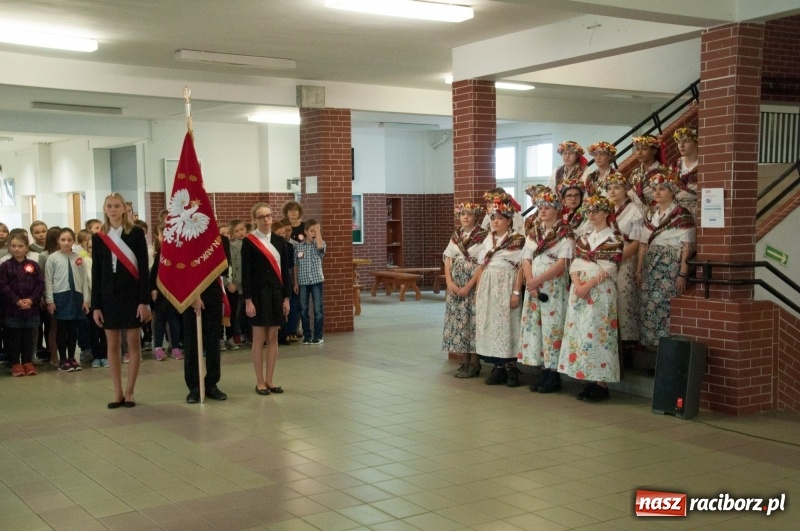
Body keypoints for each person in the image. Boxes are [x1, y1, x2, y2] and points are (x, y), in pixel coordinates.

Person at [558, 195, 624, 402]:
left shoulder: (615, 238)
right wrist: (578, 284)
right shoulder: (584, 238)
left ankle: (601, 382)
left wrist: (588, 285)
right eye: (590, 211)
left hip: (599, 289)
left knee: (599, 332)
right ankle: (587, 377)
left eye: (597, 210)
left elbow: (611, 267)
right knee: (581, 332)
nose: (592, 214)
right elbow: (575, 264)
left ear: (606, 212)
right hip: (580, 291)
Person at [92, 192, 151, 409]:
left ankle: (130, 391)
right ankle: (117, 392)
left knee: (133, 343)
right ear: (105, 209)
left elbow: (144, 269)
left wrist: (143, 301)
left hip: (132, 295)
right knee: (113, 344)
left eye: (117, 206)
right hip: (108, 296)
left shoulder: (135, 233)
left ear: (125, 209)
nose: (114, 209)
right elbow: (96, 272)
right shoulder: (99, 237)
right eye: (110, 206)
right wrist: (96, 305)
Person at [517, 185, 574, 393]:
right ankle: (543, 368)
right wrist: (530, 281)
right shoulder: (534, 232)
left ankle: (554, 373)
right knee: (537, 328)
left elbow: (562, 263)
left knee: (553, 328)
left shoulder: (565, 232)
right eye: (540, 207)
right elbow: (526, 258)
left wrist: (537, 280)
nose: (542, 211)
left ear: (557, 209)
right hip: (534, 287)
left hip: (554, 287)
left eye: (548, 207)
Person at [637, 170, 696, 353]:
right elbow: (642, 245)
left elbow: (686, 247)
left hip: (670, 265)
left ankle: (667, 350)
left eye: (662, 188)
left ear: (672, 191)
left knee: (666, 305)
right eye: (655, 189)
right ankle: (651, 349)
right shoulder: (650, 215)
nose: (657, 192)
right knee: (647, 304)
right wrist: (639, 270)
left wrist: (682, 274)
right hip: (650, 265)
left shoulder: (681, 214)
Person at [475, 192, 526, 387]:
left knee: (508, 324)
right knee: (492, 324)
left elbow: (520, 266)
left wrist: (515, 291)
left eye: (500, 218)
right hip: (488, 283)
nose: (496, 222)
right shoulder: (488, 239)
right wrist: (479, 291)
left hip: (506, 283)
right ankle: (497, 367)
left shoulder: (517, 239)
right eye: (493, 218)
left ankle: (512, 368)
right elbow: (482, 266)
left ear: (509, 220)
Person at [242, 203, 292, 395]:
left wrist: (286, 297)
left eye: (269, 215)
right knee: (259, 338)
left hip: (276, 294)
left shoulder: (279, 241)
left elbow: (285, 272)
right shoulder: (249, 242)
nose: (266, 219)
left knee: (273, 337)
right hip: (257, 295)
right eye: (262, 216)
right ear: (255, 219)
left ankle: (270, 380)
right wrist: (248, 300)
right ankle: (259, 381)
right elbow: (246, 274)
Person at [442, 202, 487, 378]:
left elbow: (483, 263)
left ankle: (475, 362)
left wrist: (470, 285)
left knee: (473, 321)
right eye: (462, 214)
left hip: (473, 283)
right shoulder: (456, 236)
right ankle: (464, 360)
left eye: (469, 214)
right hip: (456, 283)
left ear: (476, 217)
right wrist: (449, 281)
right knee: (459, 321)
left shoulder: (484, 237)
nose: (465, 217)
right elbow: (448, 259)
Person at [603, 173, 644, 364]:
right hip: (607, 259)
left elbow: (637, 241)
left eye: (617, 188)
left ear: (625, 189)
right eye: (609, 188)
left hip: (625, 259)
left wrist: (619, 258)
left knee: (624, 298)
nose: (612, 191)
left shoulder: (633, 210)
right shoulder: (605, 209)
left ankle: (627, 345)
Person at [45, 228, 90, 372]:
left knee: (73, 329)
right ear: (58, 240)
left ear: (74, 241)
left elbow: (84, 281)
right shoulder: (52, 258)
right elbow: (48, 281)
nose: (66, 242)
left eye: (69, 240)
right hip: (61, 297)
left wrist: (86, 300)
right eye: (63, 240)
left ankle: (72, 357)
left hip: (76, 297)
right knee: (62, 329)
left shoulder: (78, 258)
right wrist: (50, 301)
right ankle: (62, 359)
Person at [0, 233, 44, 376]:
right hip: (12, 308)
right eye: (13, 246)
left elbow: (40, 284)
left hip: (31, 308)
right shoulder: (5, 266)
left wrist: (31, 299)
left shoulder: (34, 265)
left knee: (28, 336)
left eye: (20, 246)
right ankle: (15, 363)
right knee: (14, 336)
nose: (17, 249)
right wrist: (16, 300)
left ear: (26, 248)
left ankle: (27, 361)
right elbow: (3, 286)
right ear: (9, 247)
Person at [183, 279, 228, 403]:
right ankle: (194, 387)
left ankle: (211, 384)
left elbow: (224, 264)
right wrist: (193, 296)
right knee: (192, 342)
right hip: (190, 293)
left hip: (212, 291)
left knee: (214, 341)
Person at [149, 222, 184, 361]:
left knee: (174, 320)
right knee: (159, 321)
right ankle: (158, 347)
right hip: (160, 292)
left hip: (174, 292)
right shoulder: (159, 254)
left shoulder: (177, 253)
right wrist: (152, 289)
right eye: (162, 235)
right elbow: (153, 274)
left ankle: (174, 346)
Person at [293, 219, 326, 345]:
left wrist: (318, 232)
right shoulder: (299, 246)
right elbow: (295, 265)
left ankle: (318, 335)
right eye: (312, 231)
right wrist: (295, 282)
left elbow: (320, 248)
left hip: (316, 280)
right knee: (304, 309)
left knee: (318, 309)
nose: (314, 233)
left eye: (316, 231)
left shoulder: (320, 243)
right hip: (303, 281)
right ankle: (307, 335)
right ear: (305, 232)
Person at [282, 201, 305, 343]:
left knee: (298, 304)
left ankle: (295, 328)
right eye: (290, 210)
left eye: (295, 210)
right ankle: (286, 330)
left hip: (296, 271)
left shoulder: (302, 229)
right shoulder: (281, 234)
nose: (293, 212)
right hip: (285, 273)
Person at [628, 135, 665, 215]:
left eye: (644, 149)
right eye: (637, 149)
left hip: (656, 214)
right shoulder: (634, 173)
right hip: (635, 216)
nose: (640, 153)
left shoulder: (663, 172)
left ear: (654, 151)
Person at [670, 127, 699, 213]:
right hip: (676, 211)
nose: (681, 145)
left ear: (697, 142)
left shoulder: (704, 164)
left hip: (697, 210)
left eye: (686, 141)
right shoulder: (674, 165)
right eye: (678, 142)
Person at [228, 219, 247, 345]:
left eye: (242, 229)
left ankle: (246, 333)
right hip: (237, 285)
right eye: (237, 231)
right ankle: (236, 334)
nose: (240, 233)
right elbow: (236, 266)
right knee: (237, 312)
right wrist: (235, 282)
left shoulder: (251, 243)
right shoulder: (233, 246)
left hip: (248, 284)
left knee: (247, 312)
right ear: (233, 234)